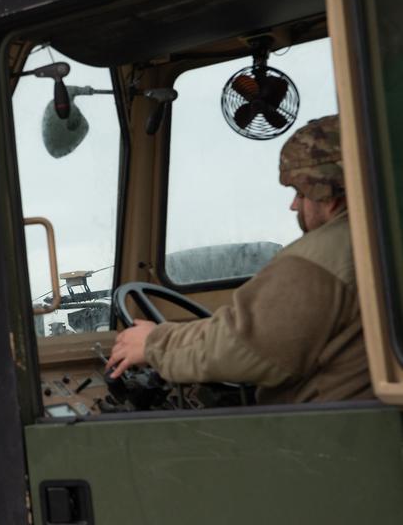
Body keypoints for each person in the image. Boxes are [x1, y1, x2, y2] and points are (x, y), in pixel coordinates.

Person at [108, 115, 373, 404]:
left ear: (328, 196)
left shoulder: (320, 259)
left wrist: (154, 344)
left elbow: (247, 348)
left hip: (324, 435)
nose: (293, 204)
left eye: (300, 192)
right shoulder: (370, 239)